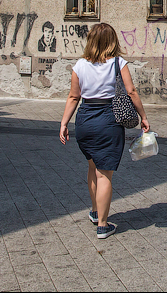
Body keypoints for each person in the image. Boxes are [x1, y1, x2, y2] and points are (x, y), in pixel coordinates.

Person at [59, 23, 150, 240]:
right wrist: (143, 117)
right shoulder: (118, 63)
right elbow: (131, 91)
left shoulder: (79, 66)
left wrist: (64, 123)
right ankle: (103, 225)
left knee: (92, 166)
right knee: (104, 173)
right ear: (112, 41)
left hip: (85, 120)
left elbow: (73, 97)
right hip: (108, 120)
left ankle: (94, 211)